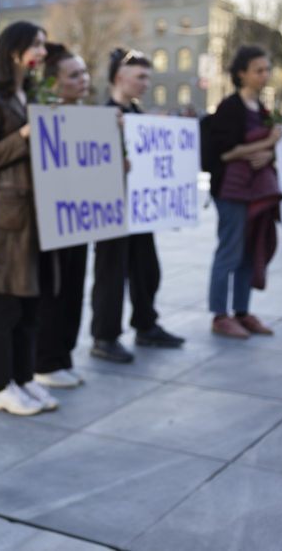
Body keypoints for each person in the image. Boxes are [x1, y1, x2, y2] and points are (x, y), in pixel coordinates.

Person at [0, 21, 57, 416]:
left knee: (29, 303)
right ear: (14, 51)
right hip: (7, 218)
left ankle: (22, 377)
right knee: (4, 302)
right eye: (36, 45)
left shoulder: (32, 94)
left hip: (34, 213)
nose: (43, 51)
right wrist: (24, 135)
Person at [89, 48, 185, 363]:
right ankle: (105, 336)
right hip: (112, 210)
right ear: (120, 77)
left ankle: (146, 324)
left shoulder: (138, 116)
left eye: (148, 77)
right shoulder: (105, 115)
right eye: (140, 77)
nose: (146, 83)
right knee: (111, 274)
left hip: (140, 210)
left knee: (146, 269)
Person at [206, 46, 282, 338]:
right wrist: (267, 144)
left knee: (250, 251)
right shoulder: (230, 107)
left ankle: (242, 311)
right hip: (231, 190)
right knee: (230, 250)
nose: (265, 75)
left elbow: (269, 151)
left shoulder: (262, 109)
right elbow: (226, 153)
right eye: (258, 70)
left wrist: (268, 154)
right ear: (242, 74)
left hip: (256, 191)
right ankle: (219, 315)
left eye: (267, 69)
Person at [33, 42, 91, 389]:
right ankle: (46, 359)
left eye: (84, 72)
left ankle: (63, 356)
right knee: (53, 290)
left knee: (73, 288)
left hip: (80, 217)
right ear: (54, 82)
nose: (83, 79)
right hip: (53, 218)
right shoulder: (43, 115)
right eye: (74, 75)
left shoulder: (89, 117)